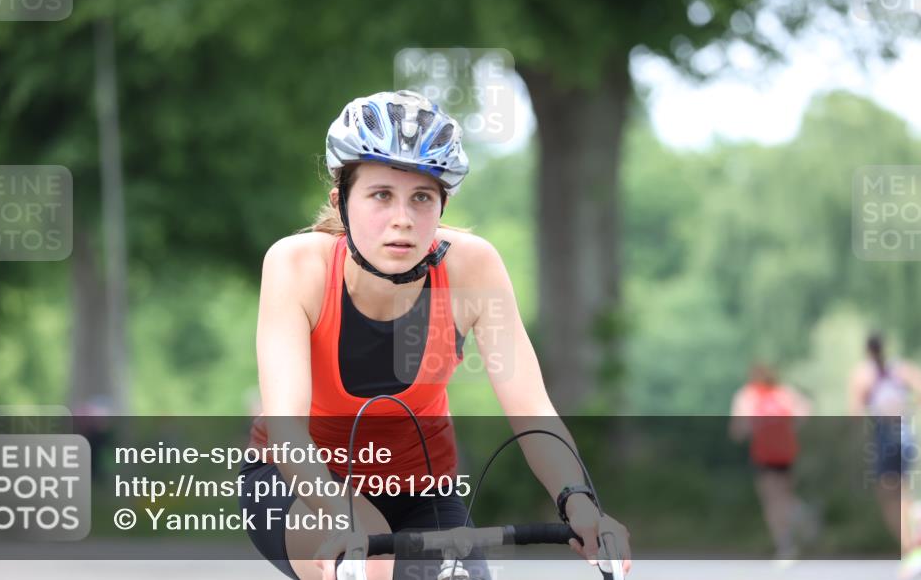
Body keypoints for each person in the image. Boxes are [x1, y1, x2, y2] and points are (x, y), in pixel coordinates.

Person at [236, 90, 631, 580]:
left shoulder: (473, 268)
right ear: (342, 201)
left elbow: (532, 410)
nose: (402, 218)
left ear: (441, 205)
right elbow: (287, 429)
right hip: (301, 482)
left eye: (421, 197)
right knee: (377, 568)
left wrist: (580, 504)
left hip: (422, 488)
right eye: (381, 195)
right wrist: (341, 516)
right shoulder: (298, 265)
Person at [729, 362, 812, 561]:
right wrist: (790, 428)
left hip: (764, 454)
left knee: (771, 500)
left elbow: (737, 430)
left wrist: (749, 430)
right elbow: (806, 409)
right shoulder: (784, 392)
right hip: (786, 451)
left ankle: (785, 544)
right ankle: (800, 518)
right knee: (783, 495)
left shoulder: (747, 396)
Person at [848, 332, 921, 556]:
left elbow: (855, 412)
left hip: (885, 434)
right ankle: (912, 538)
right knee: (904, 491)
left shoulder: (863, 374)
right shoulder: (900, 368)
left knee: (888, 495)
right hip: (905, 431)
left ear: (867, 350)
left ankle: (909, 547)